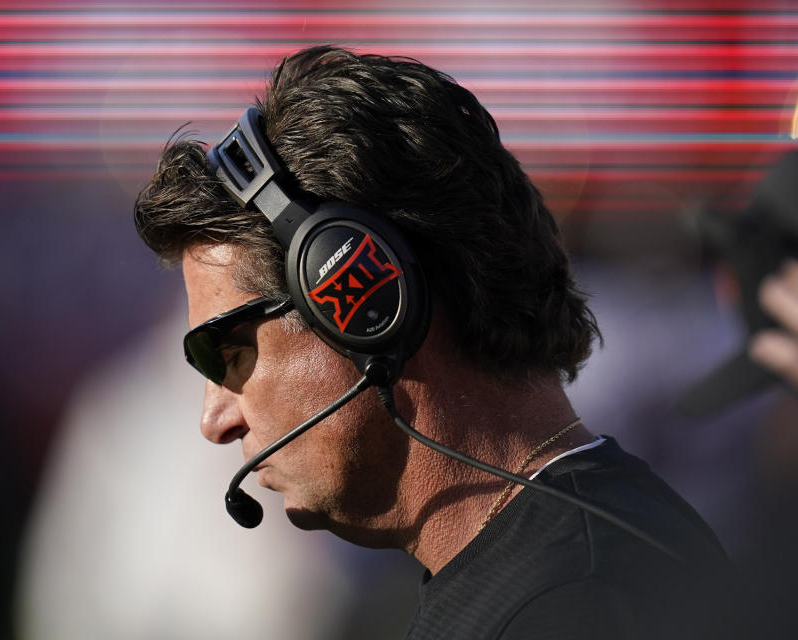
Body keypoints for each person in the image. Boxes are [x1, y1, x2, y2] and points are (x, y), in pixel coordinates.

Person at [133, 46, 734, 639]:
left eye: (229, 353)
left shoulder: (578, 605)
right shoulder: (555, 567)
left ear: (364, 299)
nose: (216, 419)